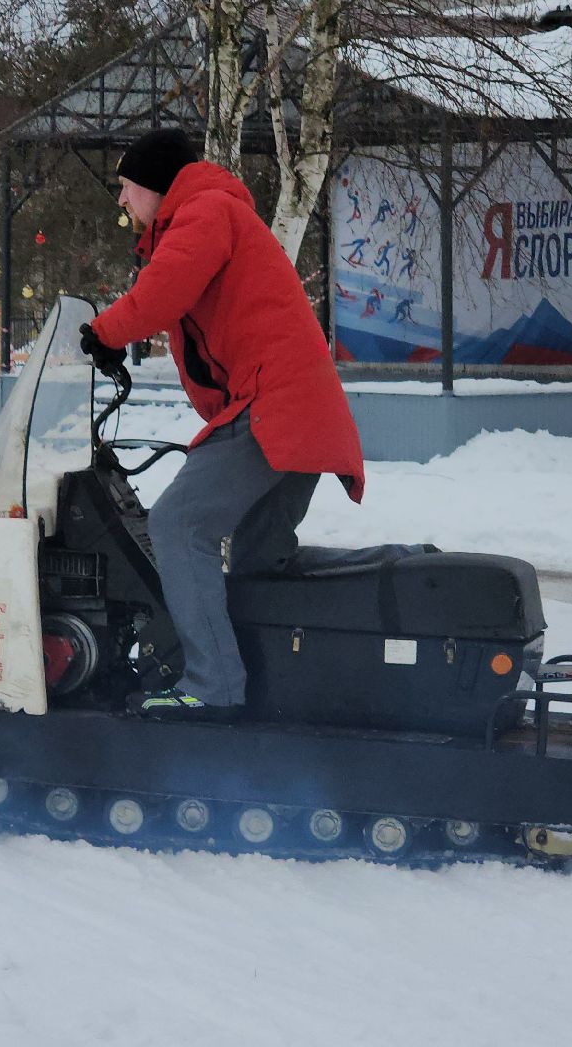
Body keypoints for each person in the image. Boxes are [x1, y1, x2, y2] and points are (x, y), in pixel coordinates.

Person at [81, 126, 366, 722]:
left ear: (158, 185)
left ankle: (213, 689)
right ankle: (396, 579)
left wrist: (100, 334)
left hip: (273, 406)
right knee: (260, 559)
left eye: (127, 186)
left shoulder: (204, 211)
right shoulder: (216, 212)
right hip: (299, 410)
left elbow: (162, 291)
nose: (121, 200)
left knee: (180, 524)